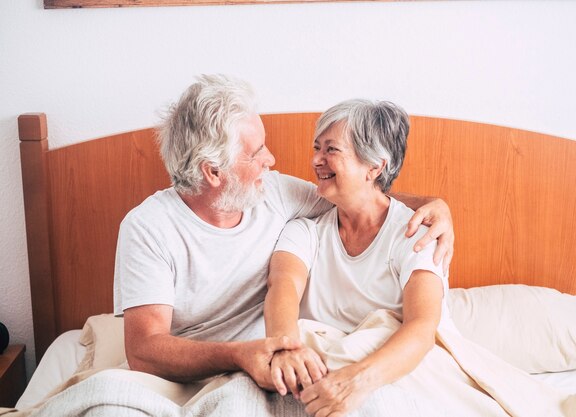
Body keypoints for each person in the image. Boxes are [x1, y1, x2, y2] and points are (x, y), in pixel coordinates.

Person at [113, 74, 454, 391]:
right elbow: (143, 350)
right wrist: (239, 354)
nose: (271, 160)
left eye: (330, 149)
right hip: (193, 370)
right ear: (213, 172)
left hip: (268, 363)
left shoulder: (273, 193)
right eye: (257, 152)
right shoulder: (148, 228)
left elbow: (360, 195)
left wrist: (433, 204)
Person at [264, 99, 447, 416]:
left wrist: (356, 383)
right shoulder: (303, 232)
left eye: (331, 150)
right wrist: (285, 349)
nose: (316, 160)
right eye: (317, 148)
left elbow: (421, 329)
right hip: (315, 374)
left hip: (385, 373)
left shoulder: (416, 235)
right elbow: (282, 289)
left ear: (375, 166)